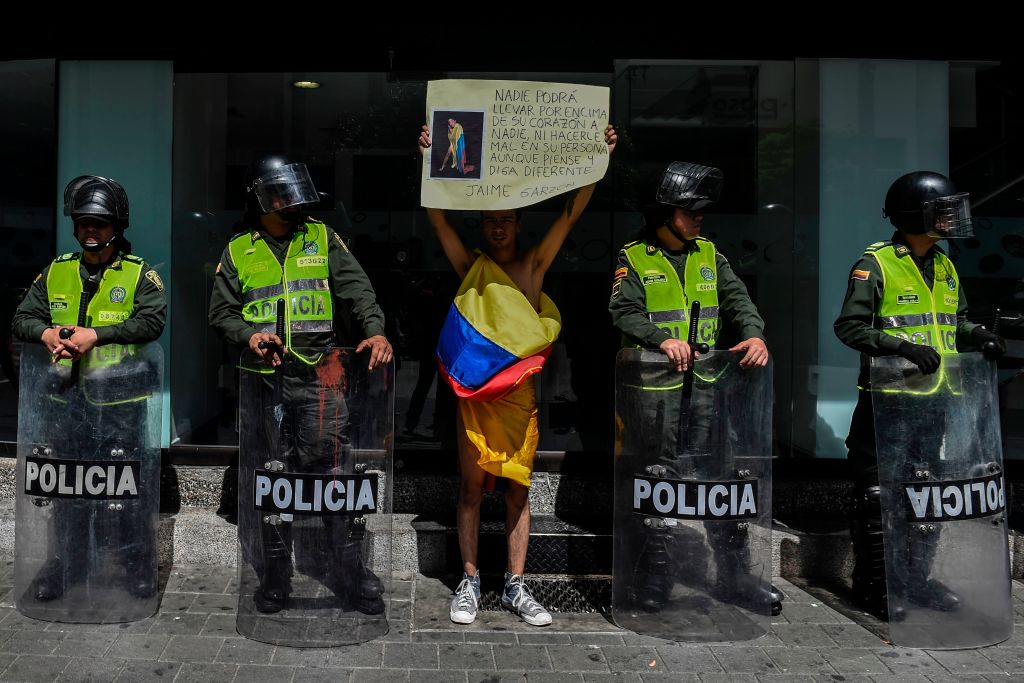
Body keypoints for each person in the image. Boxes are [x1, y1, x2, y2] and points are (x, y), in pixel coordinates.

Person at [419, 123, 616, 626]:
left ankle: (516, 585)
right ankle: (469, 580)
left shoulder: (533, 266)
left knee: (517, 492)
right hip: (476, 399)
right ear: (483, 225)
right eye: (490, 221)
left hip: (519, 400)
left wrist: (599, 157)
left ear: (519, 223)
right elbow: (438, 221)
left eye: (506, 220)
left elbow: (571, 215)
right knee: (468, 489)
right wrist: (428, 159)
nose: (499, 228)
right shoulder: (471, 264)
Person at [208, 154, 393, 615]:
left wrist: (374, 328)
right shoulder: (236, 251)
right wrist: (248, 335)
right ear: (259, 199)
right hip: (264, 383)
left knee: (334, 474)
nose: (292, 206)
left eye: (295, 197)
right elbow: (221, 314)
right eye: (281, 197)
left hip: (319, 378)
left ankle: (349, 569)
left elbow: (357, 288)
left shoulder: (321, 236)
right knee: (273, 478)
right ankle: (275, 574)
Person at [608, 161, 783, 615]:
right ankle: (654, 577)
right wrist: (660, 338)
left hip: (707, 390)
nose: (700, 217)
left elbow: (738, 299)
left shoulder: (709, 254)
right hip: (656, 395)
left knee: (722, 483)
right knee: (658, 483)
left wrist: (755, 333)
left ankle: (734, 574)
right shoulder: (634, 257)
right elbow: (623, 313)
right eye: (691, 210)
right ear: (662, 212)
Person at [834, 170, 1005, 619]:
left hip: (935, 403)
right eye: (941, 211)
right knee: (877, 495)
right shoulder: (876, 264)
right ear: (916, 214)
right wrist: (901, 348)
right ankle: (876, 587)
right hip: (887, 404)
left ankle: (918, 581)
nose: (950, 220)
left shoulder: (945, 263)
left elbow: (955, 321)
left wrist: (980, 335)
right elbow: (849, 327)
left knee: (926, 493)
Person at [12, 174, 166, 602]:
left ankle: (136, 565)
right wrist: (44, 334)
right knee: (67, 492)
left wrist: (97, 334)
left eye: (99, 223)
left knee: (125, 491)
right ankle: (64, 566)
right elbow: (21, 319)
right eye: (83, 223)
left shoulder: (140, 275)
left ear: (117, 227)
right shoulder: (55, 271)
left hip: (119, 405)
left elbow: (152, 322)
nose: (90, 231)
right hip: (64, 403)